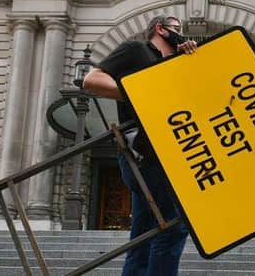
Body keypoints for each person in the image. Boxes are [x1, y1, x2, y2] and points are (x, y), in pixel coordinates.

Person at [83, 15, 197, 276]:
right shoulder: (137, 50)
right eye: (177, 29)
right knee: (174, 227)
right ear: (160, 29)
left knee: (144, 237)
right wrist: (138, 93)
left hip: (166, 152)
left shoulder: (173, 63)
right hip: (144, 154)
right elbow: (92, 80)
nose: (181, 33)